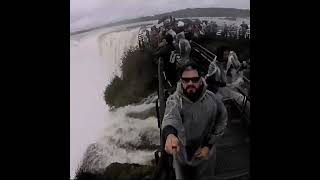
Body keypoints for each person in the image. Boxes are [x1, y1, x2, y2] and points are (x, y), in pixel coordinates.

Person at [161, 62, 228, 180]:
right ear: (181, 80)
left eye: (194, 79)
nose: (190, 83)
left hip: (206, 153)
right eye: (186, 80)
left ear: (201, 79)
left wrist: (208, 145)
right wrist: (170, 135)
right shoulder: (174, 100)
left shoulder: (212, 99)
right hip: (181, 155)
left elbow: (222, 120)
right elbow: (170, 117)